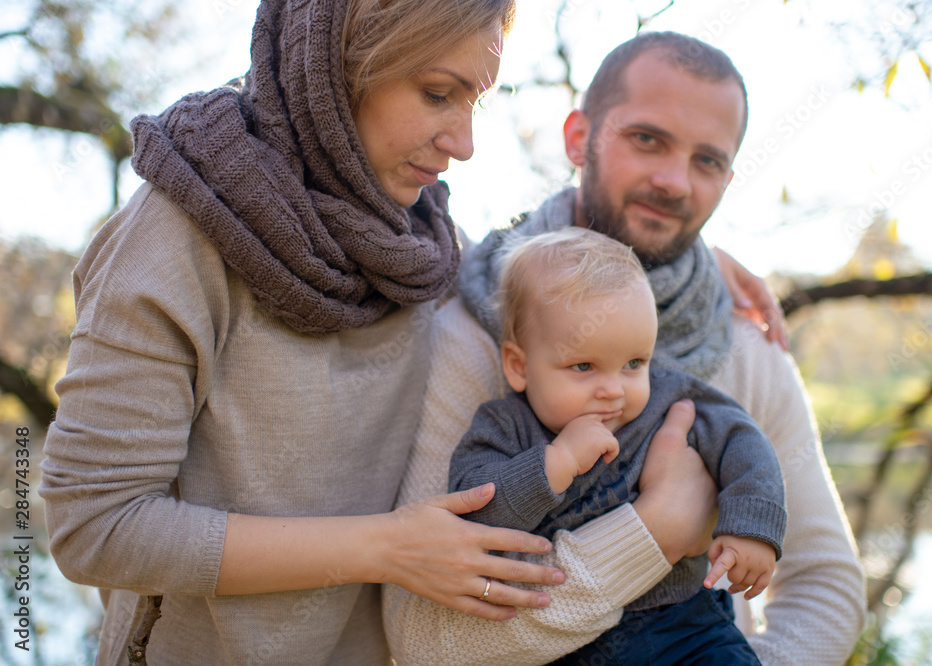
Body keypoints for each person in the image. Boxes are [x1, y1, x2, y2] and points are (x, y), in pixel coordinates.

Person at [39, 1, 579, 664]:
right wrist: (388, 548)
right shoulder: (177, 233)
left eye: (475, 101)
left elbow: (563, 306)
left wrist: (691, 262)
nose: (463, 143)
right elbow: (96, 525)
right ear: (334, 67)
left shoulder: (428, 246)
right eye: (438, 93)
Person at [382, 31, 866, 666]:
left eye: (708, 160)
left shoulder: (748, 348)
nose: (673, 181)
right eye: (648, 140)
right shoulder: (474, 333)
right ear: (579, 137)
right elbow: (424, 640)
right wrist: (653, 535)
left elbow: (828, 582)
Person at [450, 227, 787, 664]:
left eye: (634, 363)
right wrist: (555, 463)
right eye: (584, 365)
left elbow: (742, 443)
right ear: (519, 366)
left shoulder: (671, 399)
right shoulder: (503, 427)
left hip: (685, 624)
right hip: (560, 645)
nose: (613, 390)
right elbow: (471, 515)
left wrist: (751, 527)